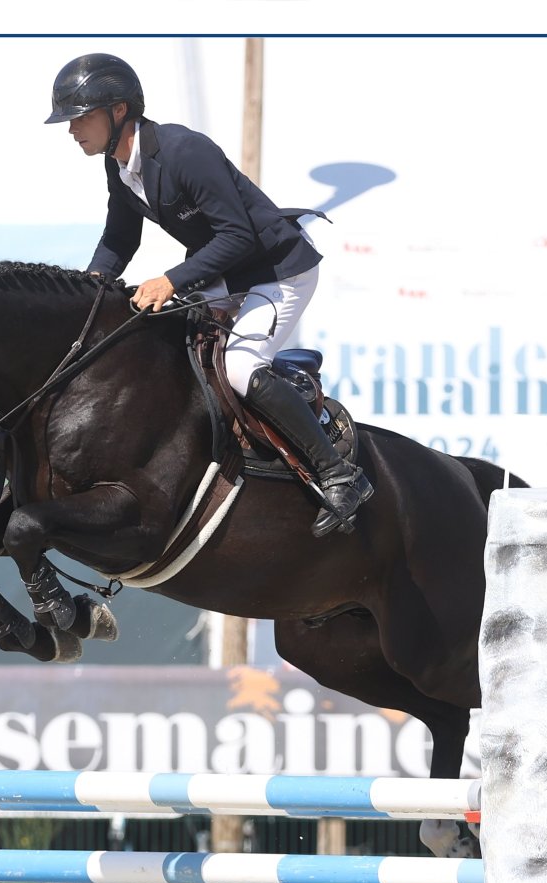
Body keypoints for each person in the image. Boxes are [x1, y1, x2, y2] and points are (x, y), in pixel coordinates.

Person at [47, 52, 370, 536]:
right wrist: (88, 290)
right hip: (228, 273)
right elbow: (120, 237)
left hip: (277, 271)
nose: (72, 129)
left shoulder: (184, 151)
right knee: (173, 345)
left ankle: (339, 474)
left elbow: (238, 235)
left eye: (80, 117)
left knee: (238, 367)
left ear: (119, 111)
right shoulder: (119, 165)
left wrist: (171, 280)